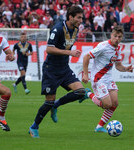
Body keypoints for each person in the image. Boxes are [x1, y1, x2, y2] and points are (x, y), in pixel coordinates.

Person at [29, 6, 90, 138]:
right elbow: (49, 49)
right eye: (78, 17)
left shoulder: (75, 29)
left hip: (64, 69)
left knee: (80, 92)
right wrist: (70, 52)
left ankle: (56, 106)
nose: (81, 20)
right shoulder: (57, 29)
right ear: (70, 17)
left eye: (82, 17)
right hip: (51, 70)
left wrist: (68, 54)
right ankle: (34, 127)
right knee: (48, 102)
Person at [82, 26, 134, 133]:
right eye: (115, 36)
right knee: (107, 105)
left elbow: (118, 66)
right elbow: (86, 57)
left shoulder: (118, 48)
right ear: (111, 35)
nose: (117, 38)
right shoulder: (103, 46)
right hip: (98, 79)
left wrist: (126, 69)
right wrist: (86, 74)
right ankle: (88, 94)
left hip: (108, 79)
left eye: (119, 37)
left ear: (121, 37)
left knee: (115, 103)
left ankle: (99, 127)